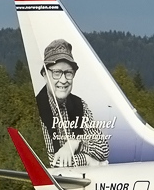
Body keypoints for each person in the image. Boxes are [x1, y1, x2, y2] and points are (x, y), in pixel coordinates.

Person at [35, 38, 109, 167]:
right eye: (57, 73)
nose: (63, 80)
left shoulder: (80, 105)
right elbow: (50, 163)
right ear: (45, 74)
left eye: (68, 73)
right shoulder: (36, 107)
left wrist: (75, 143)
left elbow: (103, 148)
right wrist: (88, 160)